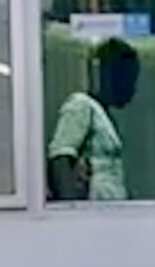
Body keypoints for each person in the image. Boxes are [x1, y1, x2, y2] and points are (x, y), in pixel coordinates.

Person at [47, 37, 139, 202]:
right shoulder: (81, 106)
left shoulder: (104, 115)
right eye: (127, 79)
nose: (131, 87)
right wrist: (71, 210)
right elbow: (60, 158)